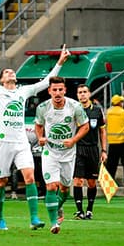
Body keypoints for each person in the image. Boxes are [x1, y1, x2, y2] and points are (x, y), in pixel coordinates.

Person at [0, 38, 69, 230]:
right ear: (2, 79)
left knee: (29, 177)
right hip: (3, 143)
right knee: (1, 181)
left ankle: (34, 218)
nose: (11, 73)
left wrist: (59, 63)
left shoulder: (23, 92)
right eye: (7, 72)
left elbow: (46, 83)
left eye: (12, 72)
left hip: (21, 143)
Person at [34, 77, 89, 233]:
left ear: (65, 90)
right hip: (50, 152)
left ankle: (59, 207)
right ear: (49, 91)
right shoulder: (43, 107)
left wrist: (73, 140)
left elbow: (85, 126)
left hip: (68, 154)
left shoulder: (75, 106)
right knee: (51, 186)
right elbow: (38, 125)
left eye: (60, 90)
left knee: (64, 188)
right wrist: (40, 138)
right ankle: (54, 224)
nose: (57, 93)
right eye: (54, 90)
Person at [62, 84, 107, 221]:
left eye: (84, 92)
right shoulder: (73, 110)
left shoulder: (97, 111)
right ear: (77, 95)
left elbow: (102, 131)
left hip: (93, 148)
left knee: (92, 182)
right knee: (78, 180)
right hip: (78, 148)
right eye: (80, 92)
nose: (82, 94)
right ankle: (79, 210)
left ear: (89, 94)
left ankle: (89, 210)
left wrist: (104, 150)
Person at [105, 95, 124, 186]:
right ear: (120, 103)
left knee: (111, 165)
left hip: (112, 142)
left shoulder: (108, 112)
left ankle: (108, 184)